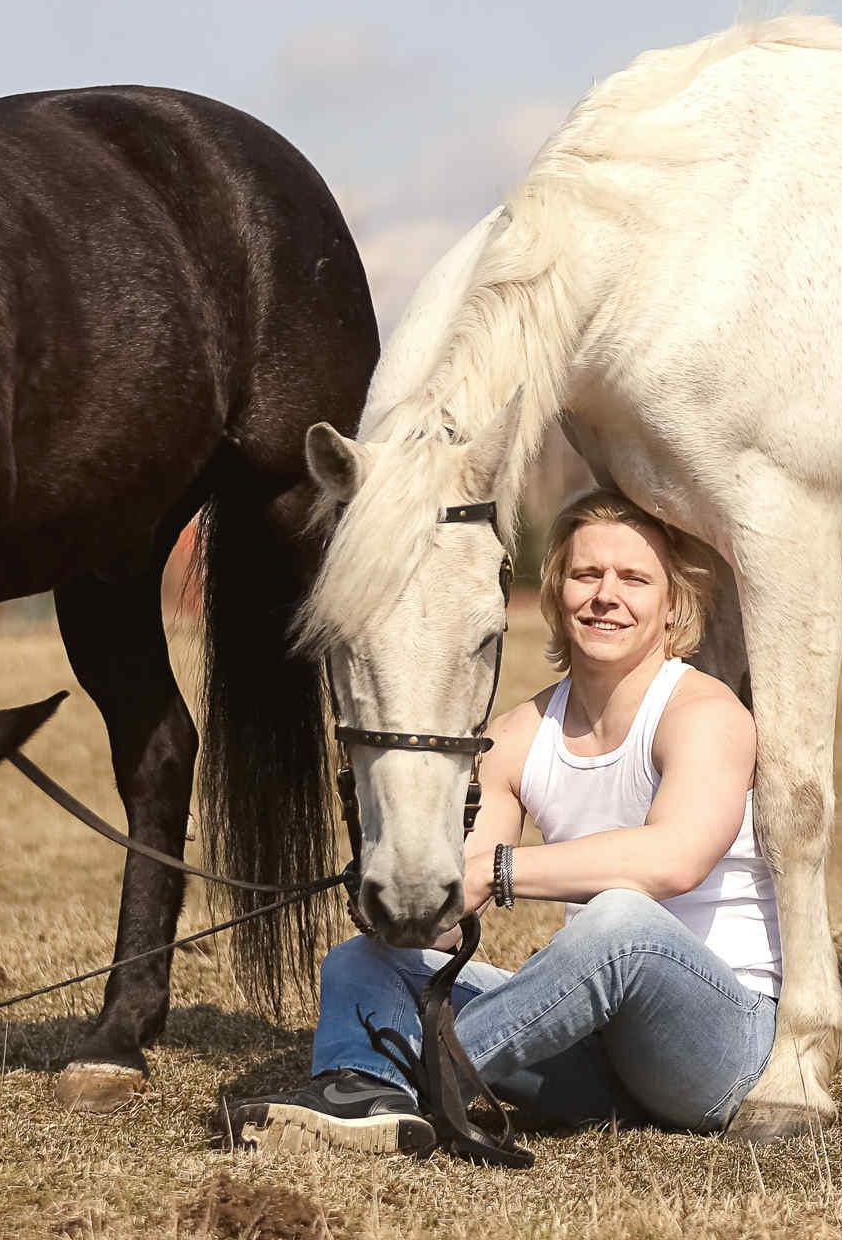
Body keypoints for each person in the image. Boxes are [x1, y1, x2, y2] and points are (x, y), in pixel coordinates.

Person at [232, 490, 780, 1156]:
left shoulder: (704, 712)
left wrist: (499, 871)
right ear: (555, 593)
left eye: (633, 579)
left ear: (673, 605)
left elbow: (674, 860)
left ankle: (421, 1077)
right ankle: (364, 1097)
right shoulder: (519, 734)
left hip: (717, 1047)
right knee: (363, 963)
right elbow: (446, 915)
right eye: (587, 575)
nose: (606, 595)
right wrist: (406, 883)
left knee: (620, 920)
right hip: (591, 1048)